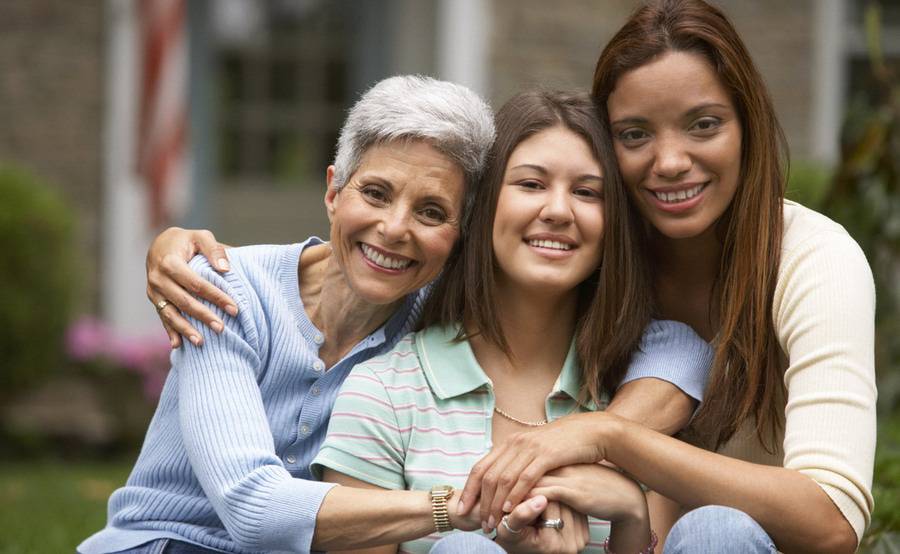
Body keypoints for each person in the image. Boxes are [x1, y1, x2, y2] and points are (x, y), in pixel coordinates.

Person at [458, 2, 877, 553]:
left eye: (703, 124)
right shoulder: (590, 250)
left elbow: (831, 523)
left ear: (746, 125)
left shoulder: (813, 260)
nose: (671, 161)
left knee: (714, 532)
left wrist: (607, 435)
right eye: (634, 135)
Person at [79, 74, 503, 554]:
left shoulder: (441, 325)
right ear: (333, 193)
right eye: (376, 193)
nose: (394, 228)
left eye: (430, 212)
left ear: (459, 234)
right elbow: (253, 509)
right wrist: (449, 508)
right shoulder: (223, 289)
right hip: (167, 543)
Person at [311, 90, 713, 554]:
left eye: (586, 192)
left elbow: (689, 352)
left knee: (718, 528)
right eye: (531, 184)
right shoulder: (386, 391)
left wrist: (630, 513)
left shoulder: (638, 392)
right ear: (479, 211)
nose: (559, 211)